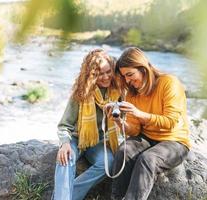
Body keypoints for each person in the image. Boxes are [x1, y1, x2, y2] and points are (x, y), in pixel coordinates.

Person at [110, 47, 191, 200]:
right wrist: (120, 122)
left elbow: (171, 122)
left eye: (130, 74)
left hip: (175, 141)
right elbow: (134, 130)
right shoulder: (132, 92)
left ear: (143, 69)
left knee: (148, 159)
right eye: (124, 76)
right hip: (148, 137)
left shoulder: (169, 82)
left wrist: (139, 114)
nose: (128, 81)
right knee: (123, 152)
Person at [53, 49, 120, 200]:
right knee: (66, 158)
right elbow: (64, 125)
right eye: (98, 74)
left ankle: (66, 196)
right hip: (77, 139)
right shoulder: (81, 92)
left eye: (108, 72)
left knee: (108, 163)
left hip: (99, 142)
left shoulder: (117, 92)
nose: (105, 77)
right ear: (90, 76)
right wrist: (64, 143)